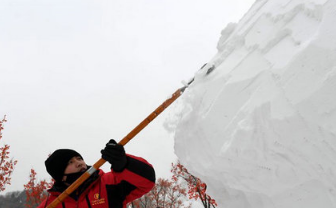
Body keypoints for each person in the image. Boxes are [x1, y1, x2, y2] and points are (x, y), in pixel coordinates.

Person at [38, 139, 156, 208]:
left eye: (79, 158)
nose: (79, 163)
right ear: (60, 176)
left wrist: (124, 164)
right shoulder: (51, 204)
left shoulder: (108, 183)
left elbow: (147, 181)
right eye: (70, 162)